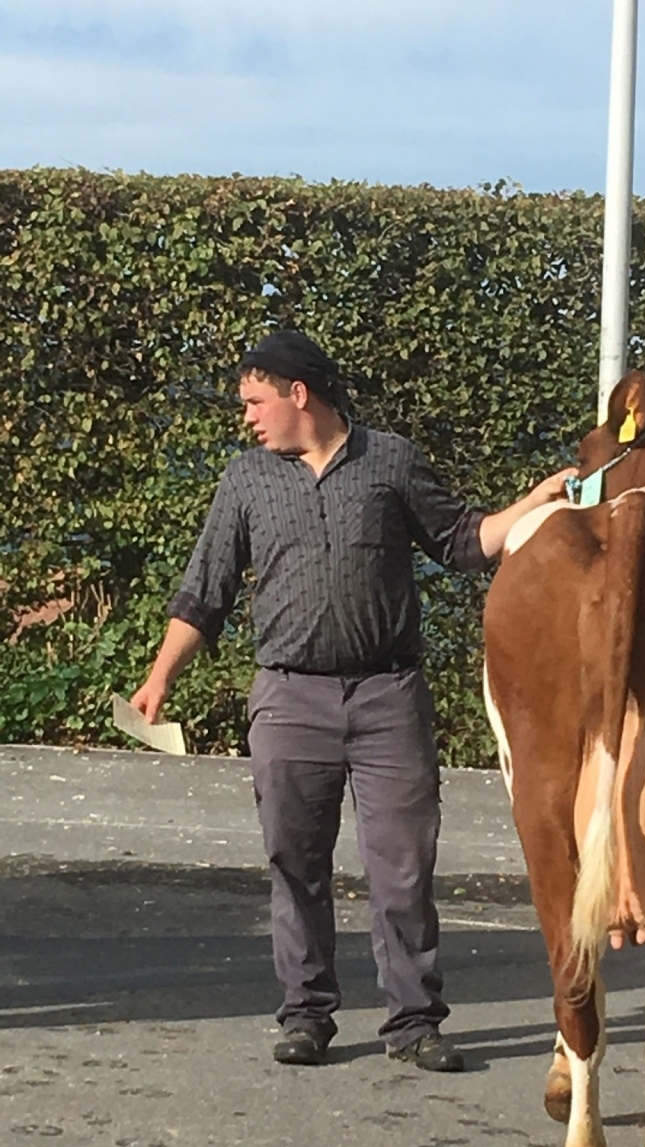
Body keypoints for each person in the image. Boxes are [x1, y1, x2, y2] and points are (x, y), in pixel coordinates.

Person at [131, 330, 575, 1073]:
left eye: (256, 401)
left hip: (388, 699)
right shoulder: (246, 480)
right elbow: (205, 591)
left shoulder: (391, 461)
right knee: (295, 864)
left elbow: (463, 542)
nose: (247, 416)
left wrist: (532, 503)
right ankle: (306, 1016)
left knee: (403, 870)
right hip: (288, 699)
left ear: (299, 394)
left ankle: (414, 1024)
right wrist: (160, 676)